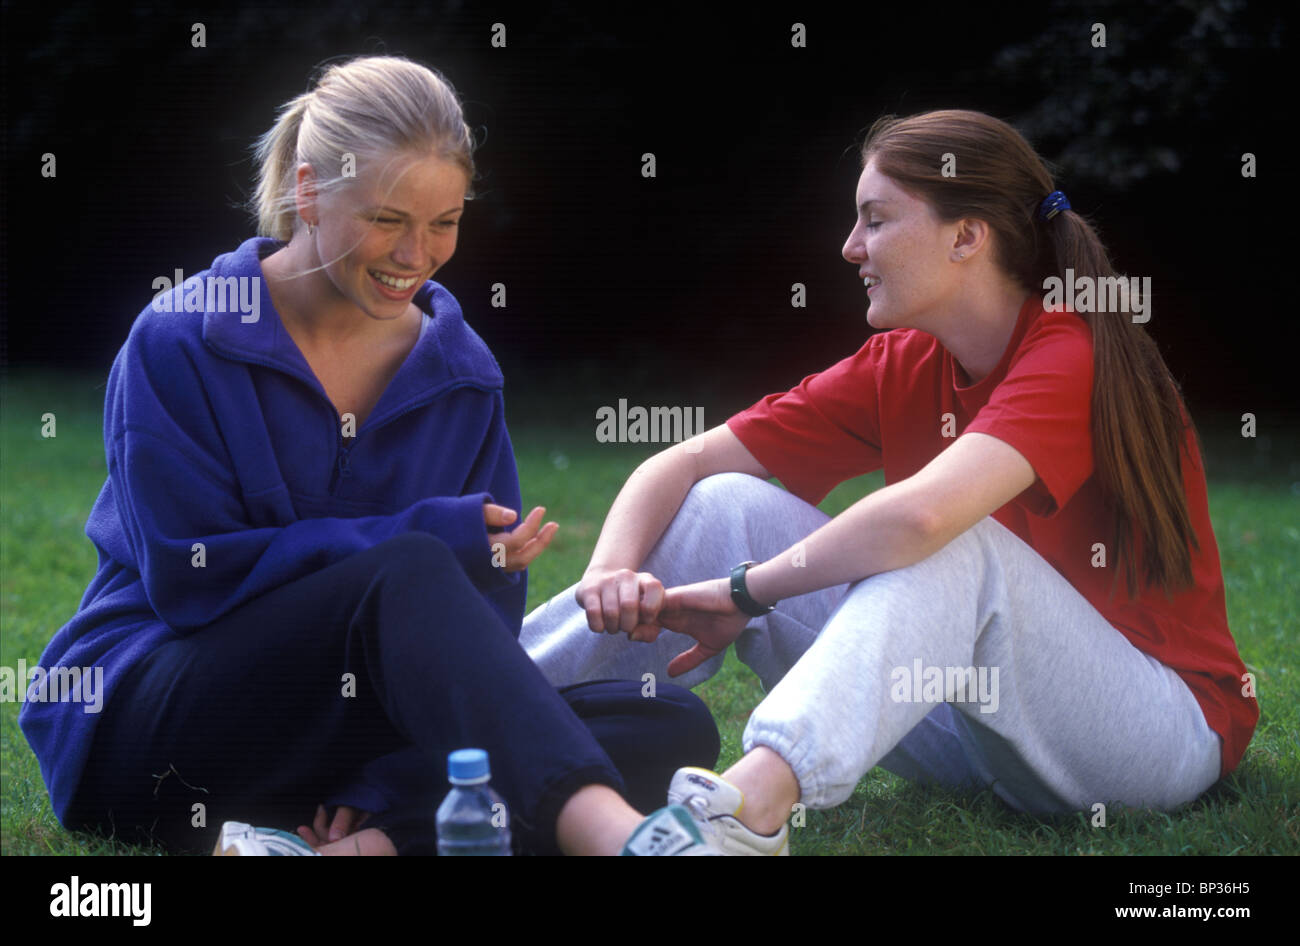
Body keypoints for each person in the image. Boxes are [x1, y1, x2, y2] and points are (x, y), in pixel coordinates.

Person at [19, 55, 723, 857]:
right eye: (388, 219)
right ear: (311, 190)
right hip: (152, 725)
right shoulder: (182, 337)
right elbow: (191, 581)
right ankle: (619, 843)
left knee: (666, 723)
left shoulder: (462, 377)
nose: (415, 254)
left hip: (333, 750)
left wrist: (381, 788)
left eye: (444, 223)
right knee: (414, 567)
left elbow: (478, 632)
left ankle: (362, 846)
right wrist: (417, 539)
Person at [522, 109, 1259, 855]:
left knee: (950, 545)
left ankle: (740, 817)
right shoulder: (904, 362)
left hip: (1155, 733)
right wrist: (609, 571)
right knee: (725, 504)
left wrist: (746, 593)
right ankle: (488, 712)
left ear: (966, 237)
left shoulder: (1072, 350)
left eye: (875, 220)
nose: (850, 248)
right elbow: (680, 463)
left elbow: (922, 521)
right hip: (981, 728)